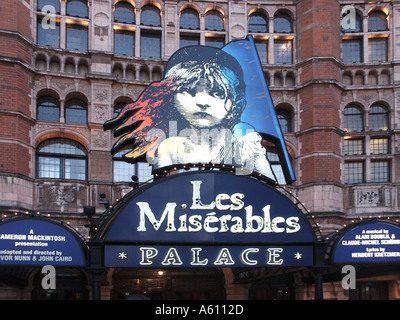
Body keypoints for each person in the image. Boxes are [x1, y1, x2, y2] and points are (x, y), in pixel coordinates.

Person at [104, 46, 275, 181]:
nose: (202, 101)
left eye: (217, 93)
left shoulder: (245, 141)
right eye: (189, 91)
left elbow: (267, 186)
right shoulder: (169, 147)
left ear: (233, 102)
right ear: (172, 98)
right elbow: (163, 190)